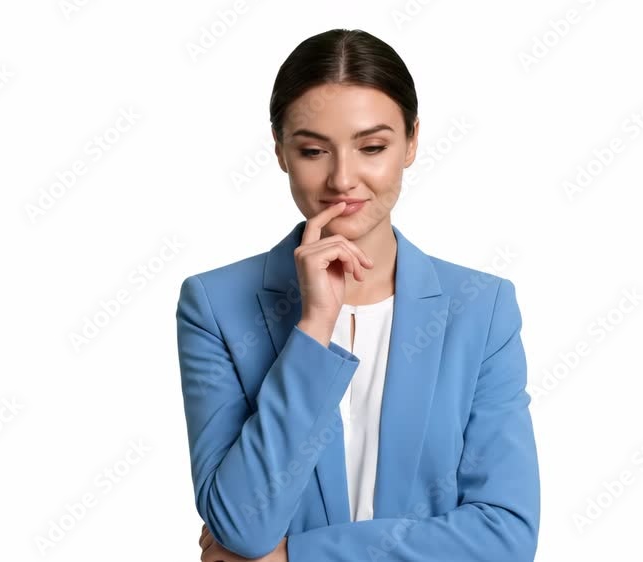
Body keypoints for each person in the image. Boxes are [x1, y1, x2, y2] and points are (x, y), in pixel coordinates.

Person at [177, 28, 540, 562]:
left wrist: (295, 556)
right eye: (313, 150)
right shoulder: (214, 305)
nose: (342, 179)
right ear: (279, 150)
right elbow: (241, 528)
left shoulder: (482, 309)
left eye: (372, 147)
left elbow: (506, 536)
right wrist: (313, 327)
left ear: (411, 142)